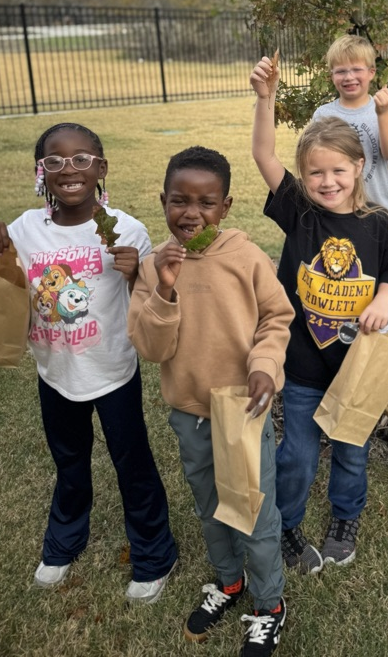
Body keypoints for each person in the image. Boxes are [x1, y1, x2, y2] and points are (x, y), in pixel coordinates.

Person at [0, 122, 177, 601]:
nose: (68, 170)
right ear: (40, 172)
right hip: (55, 372)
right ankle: (64, 541)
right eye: (54, 161)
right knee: (69, 462)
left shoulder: (127, 229)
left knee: (132, 464)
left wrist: (137, 275)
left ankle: (154, 554)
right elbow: (3, 273)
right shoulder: (25, 229)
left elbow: (152, 305)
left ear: (101, 168)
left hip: (113, 371)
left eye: (81, 159)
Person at [127, 146, 293, 655]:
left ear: (226, 207)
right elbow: (151, 348)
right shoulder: (156, 267)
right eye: (179, 200)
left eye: (206, 202)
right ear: (163, 201)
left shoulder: (246, 257)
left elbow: (276, 318)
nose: (191, 213)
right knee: (212, 505)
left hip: (243, 407)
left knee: (252, 510)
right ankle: (228, 581)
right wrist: (166, 291)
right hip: (190, 412)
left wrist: (264, 367)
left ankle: (269, 604)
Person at [250, 55, 388, 573]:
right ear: (303, 176)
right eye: (315, 172)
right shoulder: (300, 213)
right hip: (302, 364)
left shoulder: (378, 223)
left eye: (338, 170)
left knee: (350, 448)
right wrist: (266, 98)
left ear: (359, 168)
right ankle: (289, 523)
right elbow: (262, 153)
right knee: (295, 453)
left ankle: (345, 517)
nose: (327, 180)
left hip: (356, 366)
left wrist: (383, 301)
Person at [312, 33, 388, 213]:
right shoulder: (323, 114)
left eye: (356, 69)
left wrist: (382, 113)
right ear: (332, 76)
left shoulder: (387, 109)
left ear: (371, 73)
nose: (349, 77)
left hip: (376, 210)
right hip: (334, 211)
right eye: (340, 71)